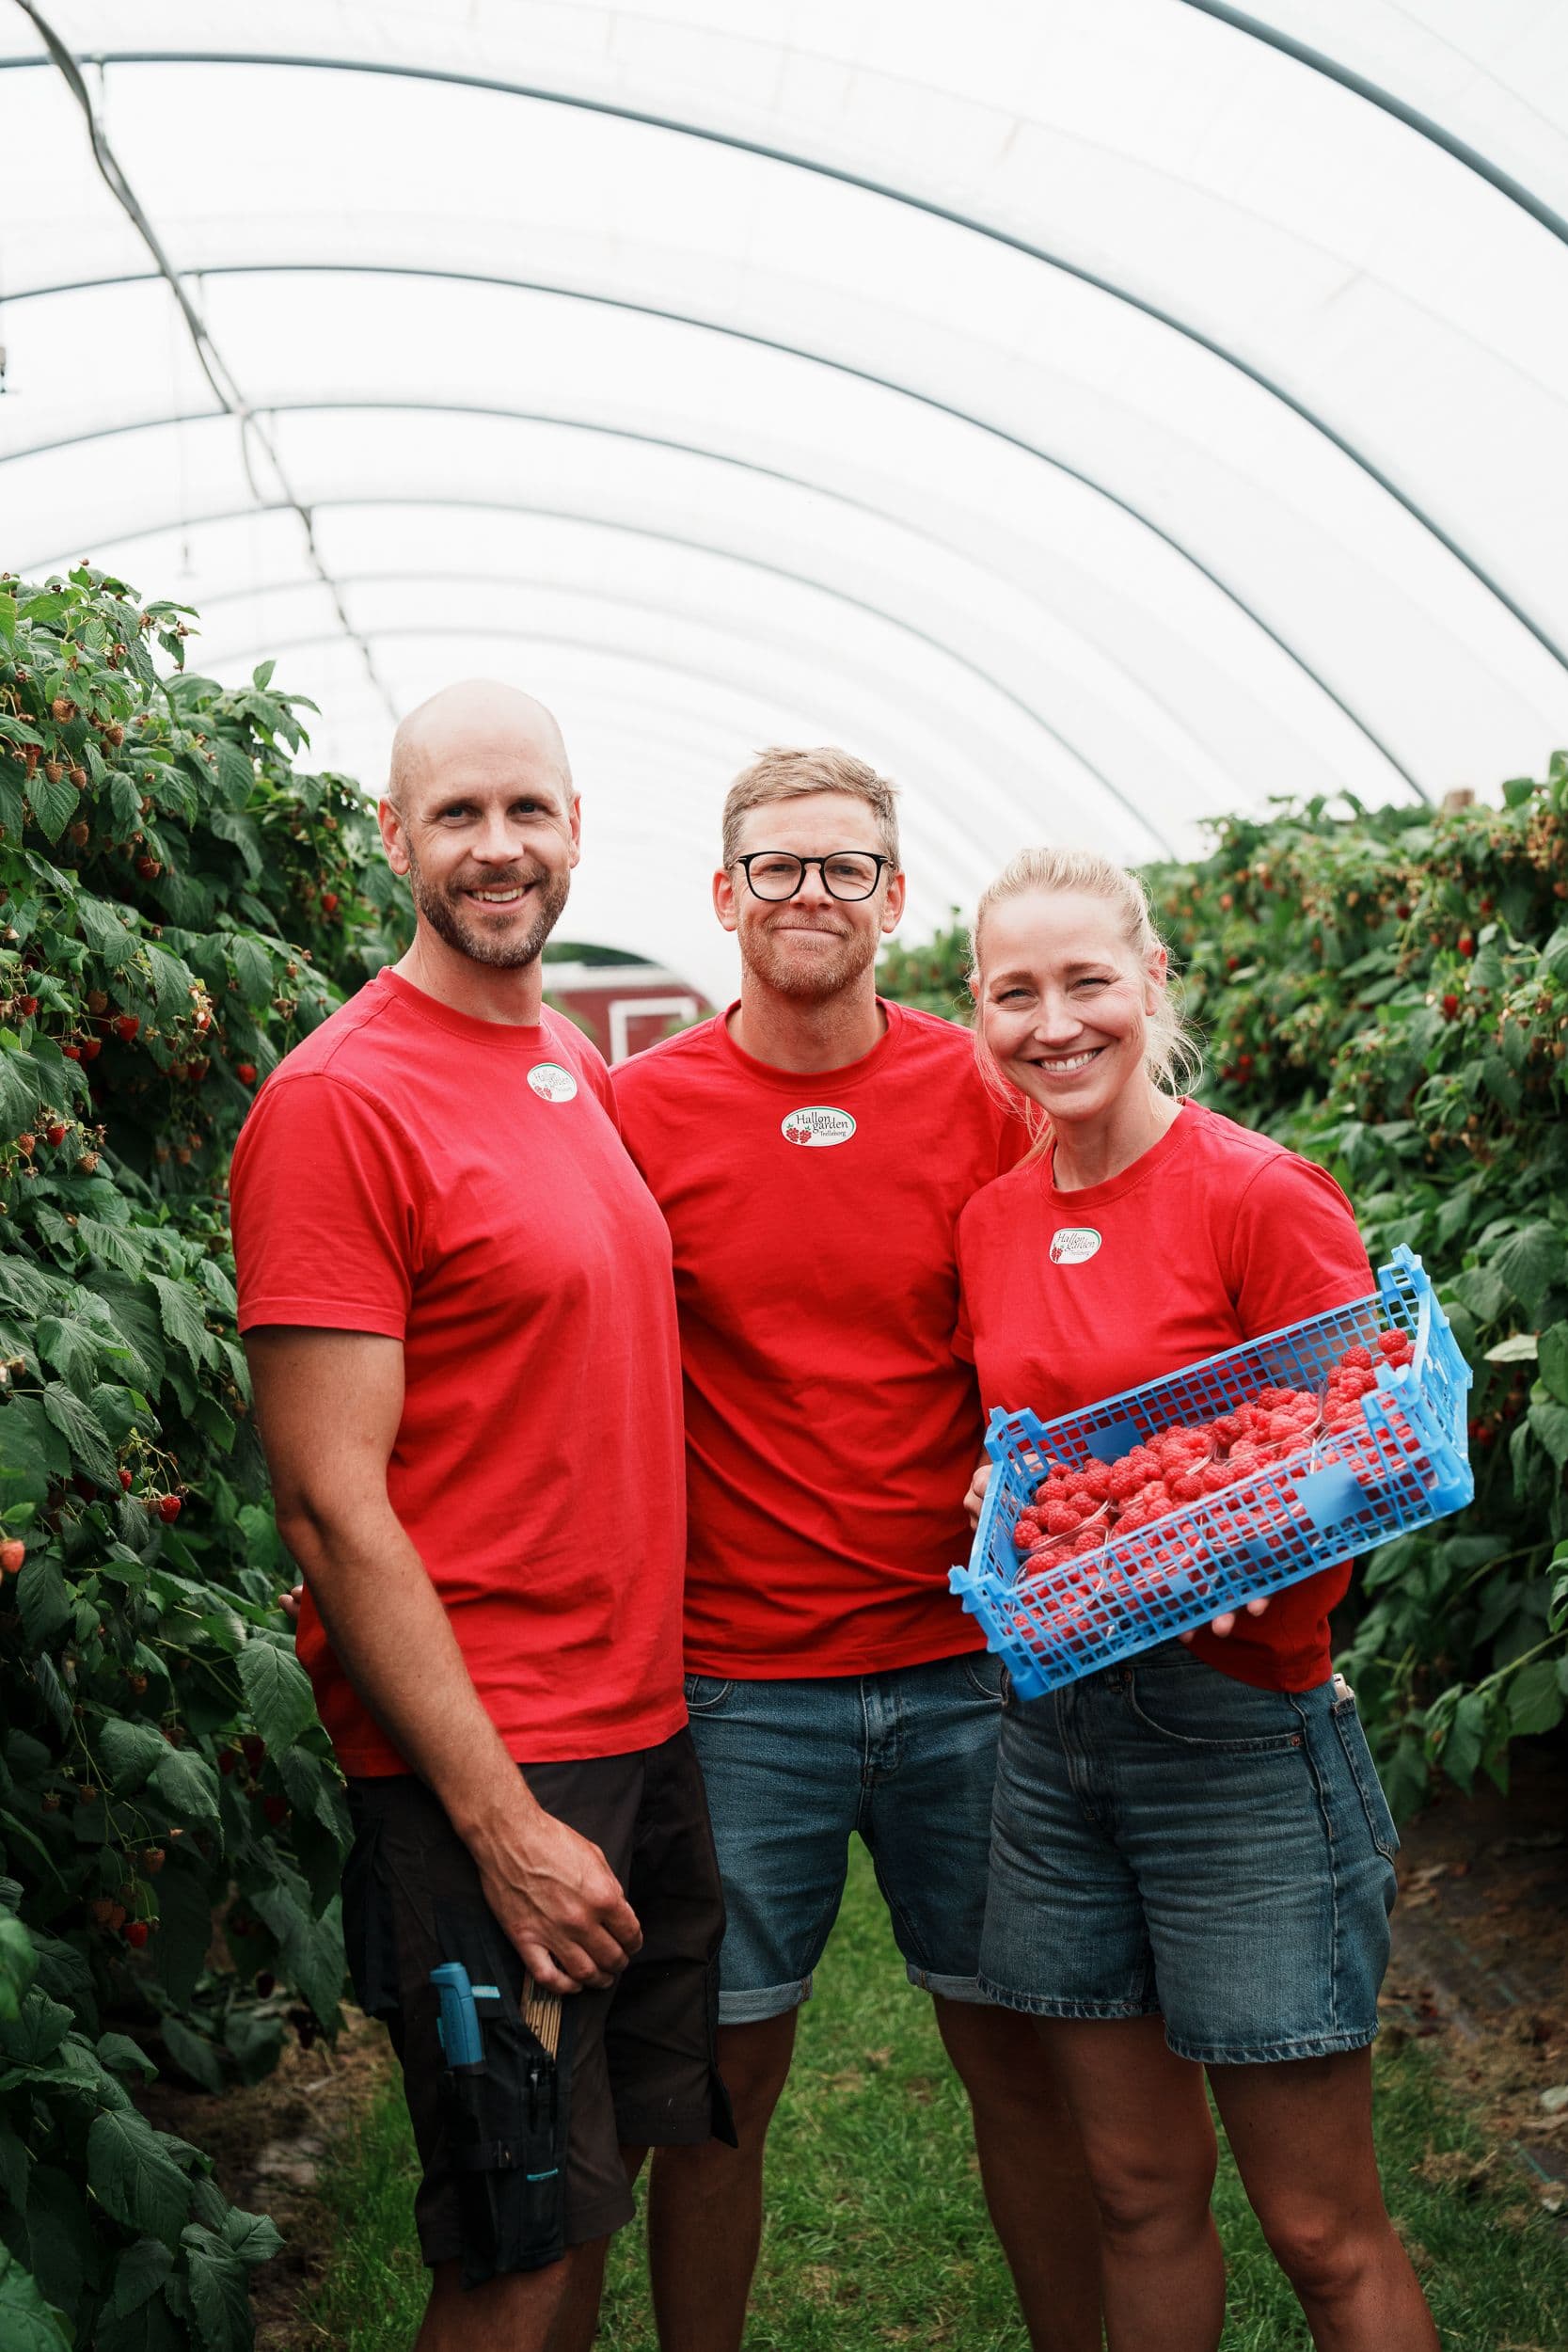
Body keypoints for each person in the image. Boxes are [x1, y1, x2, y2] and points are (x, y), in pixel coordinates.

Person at [230, 680, 732, 2352]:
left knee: (581, 2204)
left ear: (579, 831)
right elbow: (326, 1499)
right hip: (492, 1758)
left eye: (529, 811)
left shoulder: (563, 1065)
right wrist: (500, 1822)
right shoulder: (339, 1101)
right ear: (395, 838)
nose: (498, 847)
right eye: (458, 815)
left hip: (632, 1723)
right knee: (511, 2249)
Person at [610, 748, 1102, 2352]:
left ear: (895, 897)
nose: (809, 893)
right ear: (724, 894)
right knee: (721, 2077)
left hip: (969, 1669)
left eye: (843, 868)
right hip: (746, 1684)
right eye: (777, 867)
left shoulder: (987, 1094)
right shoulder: (643, 1115)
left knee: (1013, 2056)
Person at [957, 846, 1438, 2352]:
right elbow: (1042, 1469)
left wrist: (1259, 1548)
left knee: (1317, 2225)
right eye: (1014, 993)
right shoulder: (994, 1220)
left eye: (1088, 982)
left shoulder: (1258, 1193)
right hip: (1056, 1747)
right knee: (1135, 2188)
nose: (1055, 1024)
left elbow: (1365, 1440)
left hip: (1240, 1742)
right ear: (977, 1011)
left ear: (1153, 983)